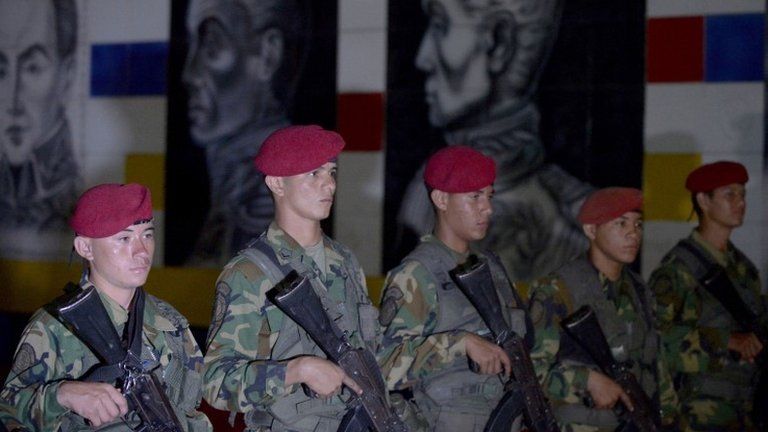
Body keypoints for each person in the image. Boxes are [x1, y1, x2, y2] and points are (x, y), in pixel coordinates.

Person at [203, 125, 386, 431]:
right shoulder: (250, 273)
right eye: (313, 174)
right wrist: (294, 371)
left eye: (331, 172)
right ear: (277, 183)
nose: (328, 184)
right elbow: (215, 382)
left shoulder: (345, 262)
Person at [397, 0, 591, 282]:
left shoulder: (564, 221)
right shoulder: (421, 189)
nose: (422, 58)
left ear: (499, 43)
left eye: (441, 26)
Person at [0, 183, 212, 431]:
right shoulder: (54, 326)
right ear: (85, 248)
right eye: (124, 238)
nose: (141, 251)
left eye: (147, 234)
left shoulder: (170, 321)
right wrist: (63, 394)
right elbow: (8, 409)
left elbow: (190, 412)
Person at [379, 146, 530, 431]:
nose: (488, 208)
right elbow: (383, 366)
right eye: (475, 196)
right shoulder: (417, 273)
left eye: (489, 195)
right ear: (441, 199)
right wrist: (460, 344)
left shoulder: (493, 269)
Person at [524, 187, 678, 431]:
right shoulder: (559, 290)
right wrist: (588, 381)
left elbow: (655, 363)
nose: (633, 234)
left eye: (638, 225)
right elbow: (530, 371)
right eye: (621, 224)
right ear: (591, 230)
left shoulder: (639, 290)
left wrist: (669, 417)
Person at [182, 0, 309, 265]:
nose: (189, 74)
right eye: (191, 44)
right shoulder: (239, 189)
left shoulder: (262, 205)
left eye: (211, 46)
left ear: (268, 55)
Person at [649, 161, 766, 431]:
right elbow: (654, 340)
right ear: (703, 200)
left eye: (743, 194)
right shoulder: (679, 269)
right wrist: (728, 341)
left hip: (745, 407)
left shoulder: (744, 269)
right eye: (729, 194)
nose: (740, 203)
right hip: (696, 412)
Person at [0, 0, 80, 232]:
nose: (12, 101)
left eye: (32, 67)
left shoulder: (80, 194)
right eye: (1, 70)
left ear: (67, 77)